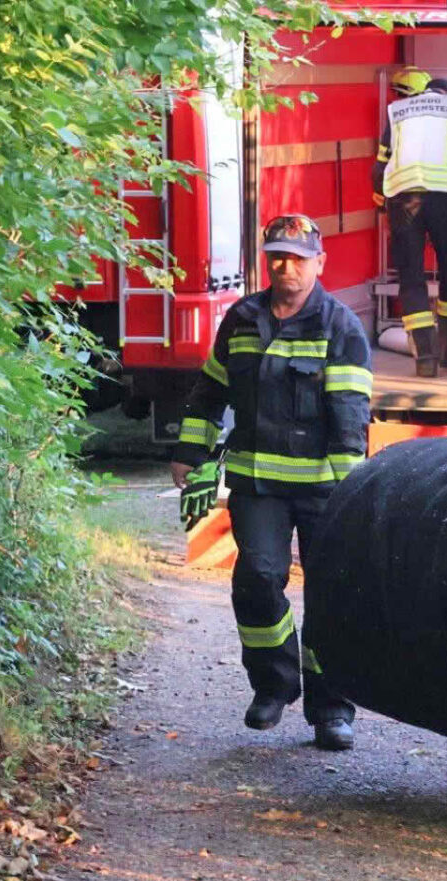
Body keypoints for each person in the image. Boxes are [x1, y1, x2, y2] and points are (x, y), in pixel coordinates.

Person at [170, 214, 372, 751]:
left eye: (299, 259)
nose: (287, 267)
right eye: (278, 257)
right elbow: (210, 392)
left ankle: (332, 709)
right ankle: (275, 686)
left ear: (319, 264)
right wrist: (190, 453)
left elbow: (351, 420)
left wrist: (352, 495)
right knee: (258, 581)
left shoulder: (341, 328)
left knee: (330, 597)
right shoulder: (241, 320)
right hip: (258, 485)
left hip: (326, 488)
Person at [372, 69, 447, 377]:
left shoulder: (398, 112)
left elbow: (380, 166)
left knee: (411, 276)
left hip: (403, 197)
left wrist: (380, 204)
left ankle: (425, 357)